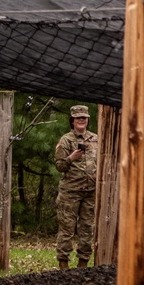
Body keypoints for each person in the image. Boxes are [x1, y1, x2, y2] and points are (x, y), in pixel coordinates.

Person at [53, 104, 98, 270]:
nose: (81, 120)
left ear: (88, 120)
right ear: (72, 121)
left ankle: (83, 266)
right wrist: (71, 157)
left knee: (87, 229)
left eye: (84, 117)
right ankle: (63, 266)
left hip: (90, 193)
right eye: (78, 117)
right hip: (70, 193)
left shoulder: (96, 139)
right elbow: (59, 166)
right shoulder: (66, 140)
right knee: (67, 229)